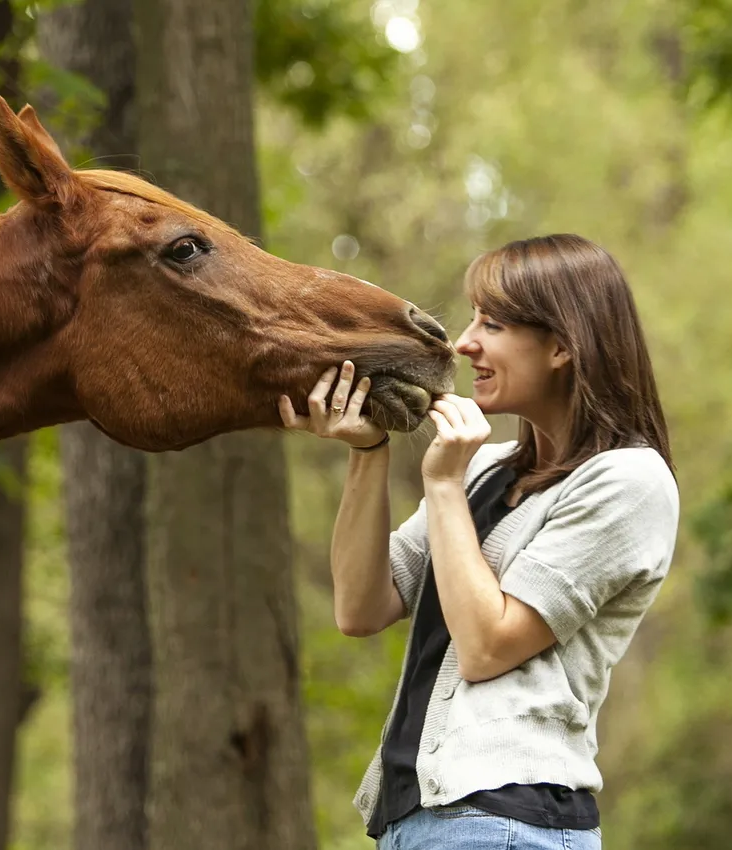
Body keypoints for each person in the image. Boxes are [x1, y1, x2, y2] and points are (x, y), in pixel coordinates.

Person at [278, 233, 679, 850]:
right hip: (416, 821)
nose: (464, 344)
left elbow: (489, 647)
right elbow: (360, 608)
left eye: (491, 324)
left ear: (563, 346)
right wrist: (369, 450)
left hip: (504, 822)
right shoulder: (488, 471)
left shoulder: (628, 481)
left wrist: (440, 485)